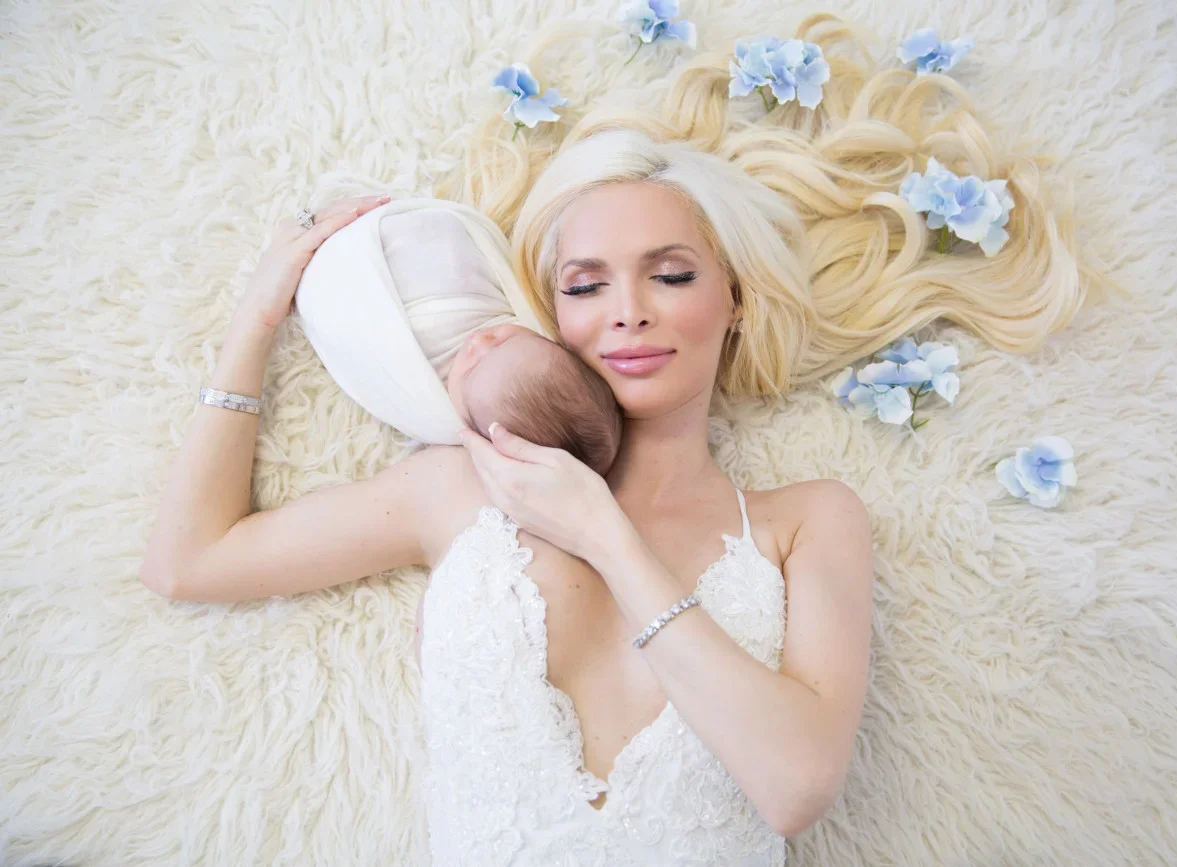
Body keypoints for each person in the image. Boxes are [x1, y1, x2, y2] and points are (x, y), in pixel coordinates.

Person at [141, 13, 1088, 864]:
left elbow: (795, 788)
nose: (626, 315)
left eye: (670, 275)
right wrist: (258, 319)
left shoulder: (809, 526)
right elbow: (189, 560)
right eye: (585, 286)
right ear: (550, 312)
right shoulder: (457, 490)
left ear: (734, 303)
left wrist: (602, 532)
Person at [292, 198, 624, 474]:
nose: (481, 341)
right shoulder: (521, 332)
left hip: (368, 275)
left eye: (473, 366)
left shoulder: (435, 416)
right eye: (506, 339)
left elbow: (369, 353)